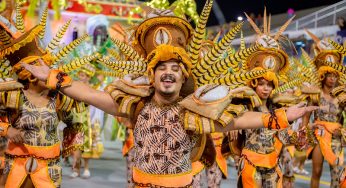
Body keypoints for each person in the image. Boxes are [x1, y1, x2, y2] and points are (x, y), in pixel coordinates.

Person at [22, 2, 317, 187]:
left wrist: (281, 116)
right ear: (151, 74)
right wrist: (49, 77)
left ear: (183, 76)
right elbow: (88, 93)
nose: (168, 72)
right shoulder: (134, 104)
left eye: (175, 68)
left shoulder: (195, 110)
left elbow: (239, 121)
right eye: (161, 66)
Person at [0, 4, 92, 187]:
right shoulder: (11, 95)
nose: (49, 72)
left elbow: (75, 124)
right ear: (31, 76)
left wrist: (71, 150)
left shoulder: (59, 97)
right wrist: (7, 130)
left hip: (48, 170)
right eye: (44, 69)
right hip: (16, 166)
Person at [302, 30, 346, 188]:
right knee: (316, 172)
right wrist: (307, 130)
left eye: (335, 75)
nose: (333, 78)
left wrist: (343, 132)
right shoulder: (314, 93)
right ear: (323, 76)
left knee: (338, 175)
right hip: (319, 137)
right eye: (329, 75)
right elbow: (305, 117)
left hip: (336, 139)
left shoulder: (342, 96)